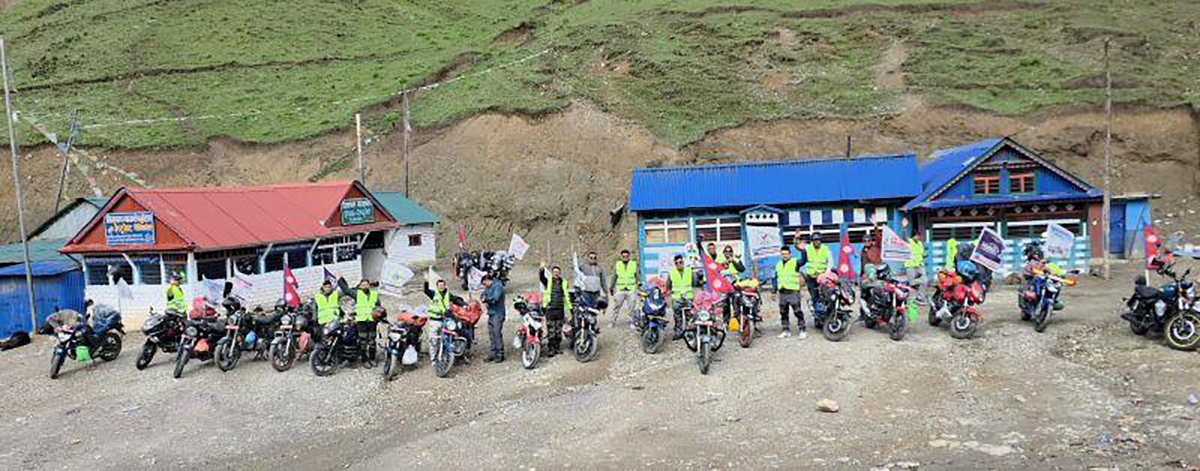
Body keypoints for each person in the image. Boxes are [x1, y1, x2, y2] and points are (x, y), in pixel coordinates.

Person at [339, 277, 382, 368]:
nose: (365, 286)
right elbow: (346, 290)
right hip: (361, 321)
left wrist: (379, 317)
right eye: (363, 285)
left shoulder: (375, 294)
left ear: (369, 286)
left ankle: (372, 359)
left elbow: (379, 307)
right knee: (363, 342)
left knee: (372, 341)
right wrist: (340, 280)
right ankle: (365, 360)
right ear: (360, 286)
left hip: (372, 321)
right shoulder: (357, 294)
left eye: (366, 284)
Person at [665, 254, 701, 340]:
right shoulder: (671, 273)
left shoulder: (689, 271)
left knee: (690, 316)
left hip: (688, 297)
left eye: (680, 262)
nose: (679, 264)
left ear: (683, 262)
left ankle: (690, 333)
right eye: (676, 263)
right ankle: (678, 333)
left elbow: (695, 283)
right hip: (677, 298)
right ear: (674, 264)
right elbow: (668, 286)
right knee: (678, 318)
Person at [539, 264, 572, 357]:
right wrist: (541, 270)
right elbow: (542, 278)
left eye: (558, 272)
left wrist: (570, 308)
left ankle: (557, 347)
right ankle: (551, 349)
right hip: (550, 309)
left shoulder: (564, 283)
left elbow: (566, 296)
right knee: (551, 331)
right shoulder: (548, 281)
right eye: (554, 272)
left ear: (560, 273)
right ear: (552, 273)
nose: (556, 273)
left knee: (558, 331)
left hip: (560, 309)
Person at [775, 246, 806, 339]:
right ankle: (785, 330)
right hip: (782, 292)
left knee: (797, 312)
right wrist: (773, 291)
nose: (784, 255)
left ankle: (802, 330)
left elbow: (804, 260)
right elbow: (775, 278)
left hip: (793, 292)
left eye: (786, 254)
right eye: (782, 254)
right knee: (783, 312)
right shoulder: (778, 264)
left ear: (790, 254)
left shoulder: (795, 262)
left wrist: (803, 250)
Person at [609, 249, 641, 328]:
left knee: (631, 307)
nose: (625, 257)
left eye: (627, 256)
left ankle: (632, 322)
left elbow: (637, 276)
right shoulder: (618, 264)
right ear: (621, 257)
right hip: (620, 289)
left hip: (631, 289)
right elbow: (614, 277)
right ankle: (612, 322)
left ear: (629, 256)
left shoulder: (633, 264)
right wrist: (611, 287)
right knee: (616, 307)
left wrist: (639, 284)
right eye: (623, 256)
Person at [481, 274, 506, 363]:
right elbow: (482, 295)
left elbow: (495, 299)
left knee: (497, 333)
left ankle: (500, 354)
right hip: (491, 313)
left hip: (498, 313)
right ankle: (493, 353)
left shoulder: (498, 287)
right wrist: (484, 299)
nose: (485, 286)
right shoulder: (488, 287)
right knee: (492, 334)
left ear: (488, 280)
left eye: (485, 284)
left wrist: (486, 299)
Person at [803, 233, 831, 311]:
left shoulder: (826, 249)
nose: (816, 242)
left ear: (821, 241)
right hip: (811, 277)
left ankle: (827, 312)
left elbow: (830, 263)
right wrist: (796, 239)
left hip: (822, 277)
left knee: (825, 295)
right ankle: (817, 314)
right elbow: (798, 247)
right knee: (814, 296)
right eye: (814, 240)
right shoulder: (808, 248)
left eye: (818, 240)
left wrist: (826, 274)